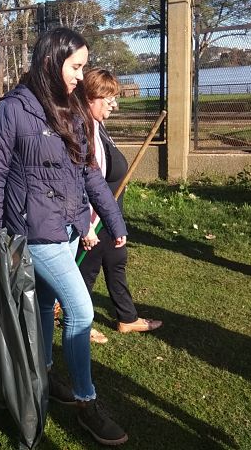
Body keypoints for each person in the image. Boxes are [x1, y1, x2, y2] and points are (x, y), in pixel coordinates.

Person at [0, 28, 129, 446]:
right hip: (35, 233)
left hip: (65, 229)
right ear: (50, 62)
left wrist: (110, 221)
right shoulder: (12, 111)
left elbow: (87, 174)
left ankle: (42, 376)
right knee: (81, 311)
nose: (81, 75)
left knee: (45, 304)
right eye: (75, 66)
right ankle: (85, 401)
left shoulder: (71, 109)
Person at [77, 69, 162, 342]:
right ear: (90, 98)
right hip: (93, 219)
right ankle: (79, 321)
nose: (115, 105)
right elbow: (82, 181)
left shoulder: (97, 125)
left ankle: (126, 318)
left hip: (109, 216)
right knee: (86, 272)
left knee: (116, 261)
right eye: (109, 99)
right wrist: (88, 224)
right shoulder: (83, 129)